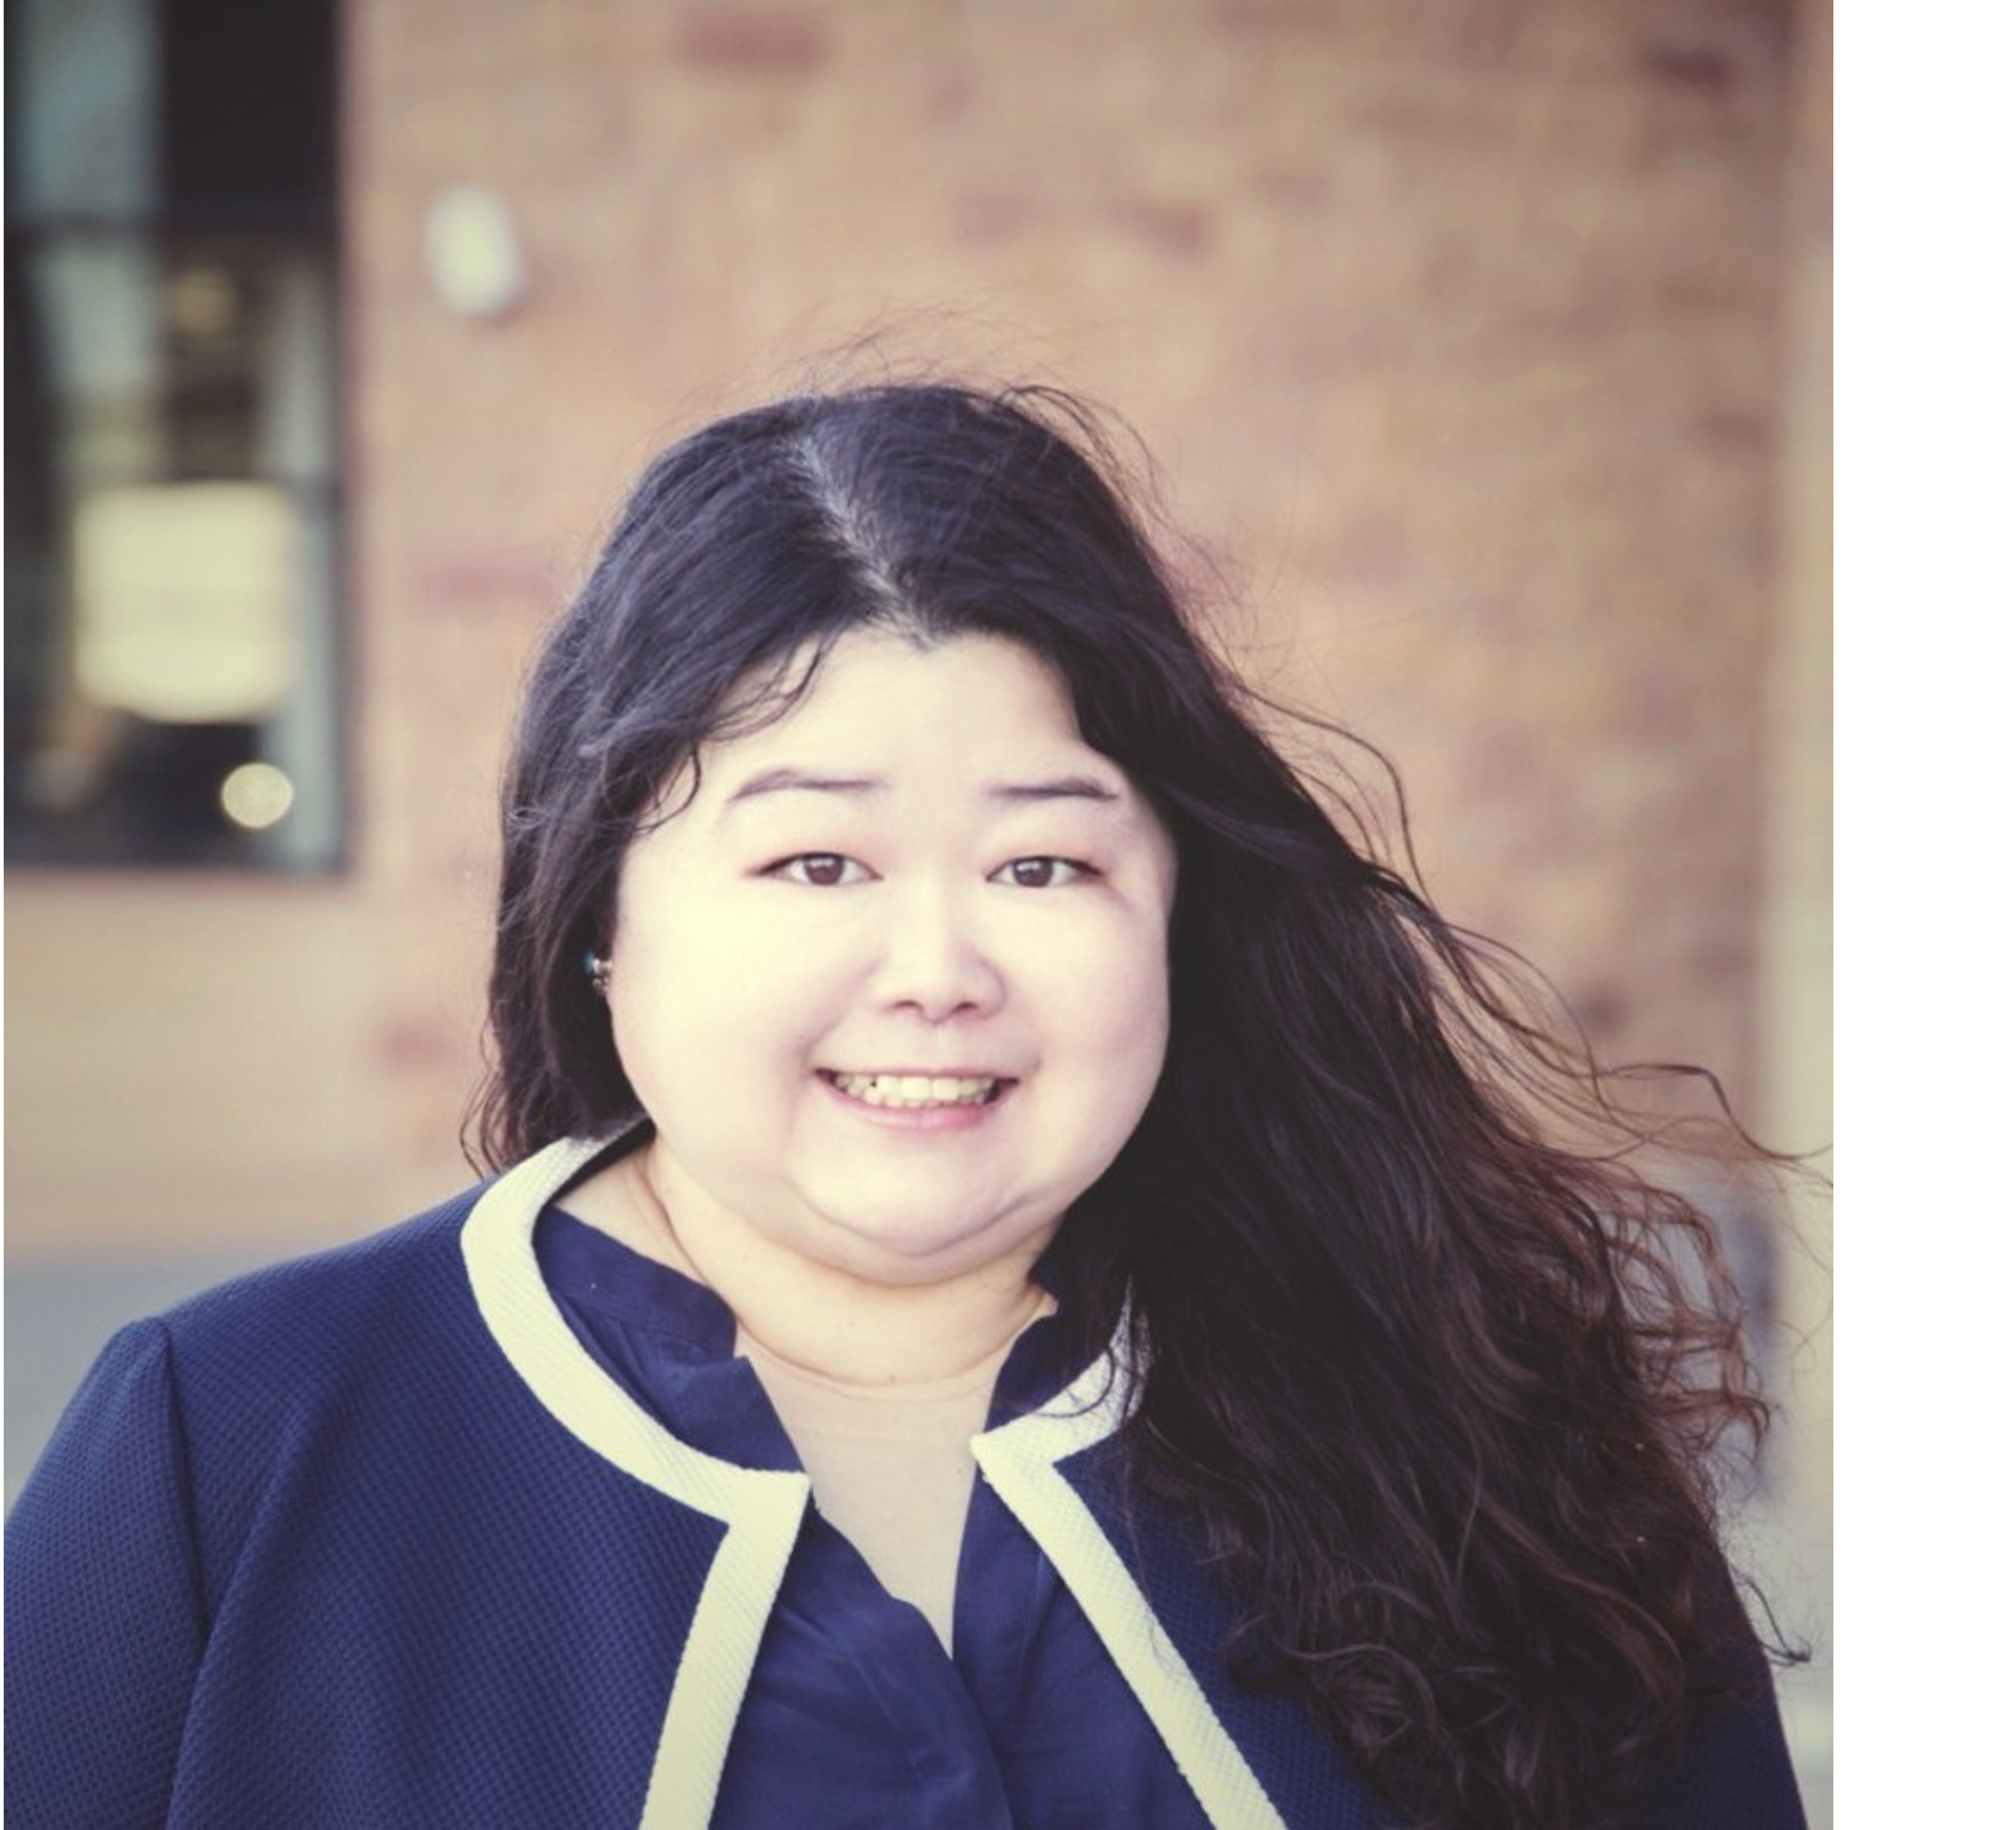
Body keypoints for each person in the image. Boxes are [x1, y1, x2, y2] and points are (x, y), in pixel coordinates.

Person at [5, 381, 1808, 1829]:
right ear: (596, 918)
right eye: (814, 860)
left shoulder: (1484, 1413)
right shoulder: (229, 1449)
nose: (938, 963)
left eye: (1041, 865)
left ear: (1180, 905)